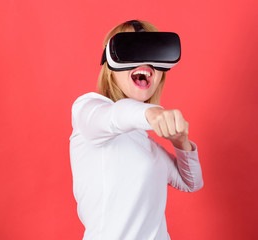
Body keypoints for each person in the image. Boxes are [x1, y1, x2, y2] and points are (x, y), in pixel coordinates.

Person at [69, 20, 204, 240]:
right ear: (110, 67)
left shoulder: (150, 149)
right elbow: (115, 116)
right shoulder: (87, 111)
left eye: (153, 52)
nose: (144, 62)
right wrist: (152, 113)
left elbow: (192, 182)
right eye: (130, 51)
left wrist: (181, 143)